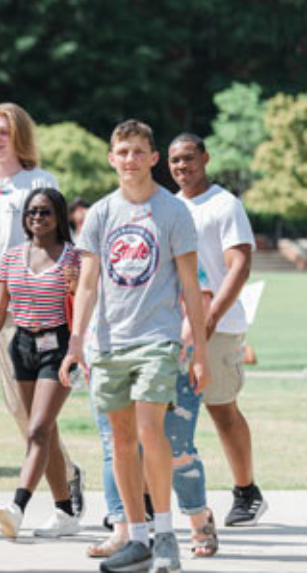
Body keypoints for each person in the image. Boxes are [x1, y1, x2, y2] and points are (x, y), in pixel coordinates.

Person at [59, 119, 209, 573]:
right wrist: (75, 344)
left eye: (138, 151)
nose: (130, 159)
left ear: (153, 157)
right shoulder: (101, 214)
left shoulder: (173, 213)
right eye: (122, 152)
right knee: (120, 440)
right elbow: (87, 284)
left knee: (149, 431)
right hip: (108, 344)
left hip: (156, 339)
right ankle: (138, 538)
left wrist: (199, 350)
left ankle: (166, 535)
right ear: (112, 159)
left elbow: (189, 283)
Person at [0, 102, 85, 531]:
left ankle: (67, 477)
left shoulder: (40, 183)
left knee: (27, 417)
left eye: (4, 131)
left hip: (20, 316)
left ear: (20, 135)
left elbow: (63, 252)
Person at [86, 264, 219, 560]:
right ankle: (123, 529)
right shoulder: (110, 249)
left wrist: (177, 348)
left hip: (172, 362)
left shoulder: (176, 241)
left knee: (176, 449)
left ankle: (198, 519)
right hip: (112, 357)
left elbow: (202, 300)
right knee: (117, 444)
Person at [168, 132, 267, 527]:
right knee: (164, 416)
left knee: (222, 409)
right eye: (175, 161)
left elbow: (239, 266)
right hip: (175, 329)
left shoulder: (225, 204)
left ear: (205, 158)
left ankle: (247, 492)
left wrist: (207, 322)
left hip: (219, 326)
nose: (182, 167)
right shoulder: (169, 206)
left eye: (189, 158)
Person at [0, 187, 83, 539]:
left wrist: (76, 288)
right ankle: (65, 512)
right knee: (42, 431)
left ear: (59, 217)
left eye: (45, 212)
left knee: (37, 429)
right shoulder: (10, 257)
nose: (37, 218)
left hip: (58, 348)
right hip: (21, 345)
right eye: (32, 212)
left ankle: (17, 508)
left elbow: (86, 307)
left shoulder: (73, 258)